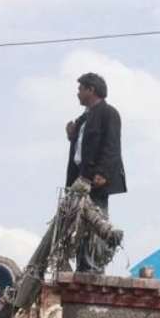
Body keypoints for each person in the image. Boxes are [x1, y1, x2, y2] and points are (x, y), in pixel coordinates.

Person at [65, 72, 127, 273]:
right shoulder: (85, 118)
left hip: (96, 181)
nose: (77, 93)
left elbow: (111, 146)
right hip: (80, 181)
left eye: (80, 89)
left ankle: (93, 268)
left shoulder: (109, 113)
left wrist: (103, 173)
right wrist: (72, 135)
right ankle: (83, 267)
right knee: (78, 225)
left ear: (91, 89)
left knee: (96, 223)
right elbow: (82, 149)